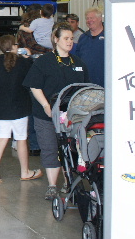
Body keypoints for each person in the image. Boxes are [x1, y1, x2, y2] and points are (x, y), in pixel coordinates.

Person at [23, 23, 90, 200]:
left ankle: (69, 183)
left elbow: (85, 90)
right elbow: (34, 85)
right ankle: (52, 185)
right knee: (50, 148)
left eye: (71, 38)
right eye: (66, 38)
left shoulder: (79, 63)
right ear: (56, 39)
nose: (70, 42)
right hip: (46, 116)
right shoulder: (44, 62)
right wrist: (46, 106)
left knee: (70, 149)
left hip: (72, 117)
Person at [0, 35, 42, 184]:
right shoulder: (23, 62)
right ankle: (25, 172)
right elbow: (31, 80)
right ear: (14, 46)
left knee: (2, 138)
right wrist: (28, 57)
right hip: (20, 107)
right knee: (21, 139)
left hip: (1, 107)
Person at [72, 7, 105, 87]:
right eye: (87, 18)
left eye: (92, 18)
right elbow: (77, 60)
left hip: (105, 83)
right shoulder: (83, 38)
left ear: (100, 19)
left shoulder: (109, 36)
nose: (89, 20)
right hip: (86, 84)